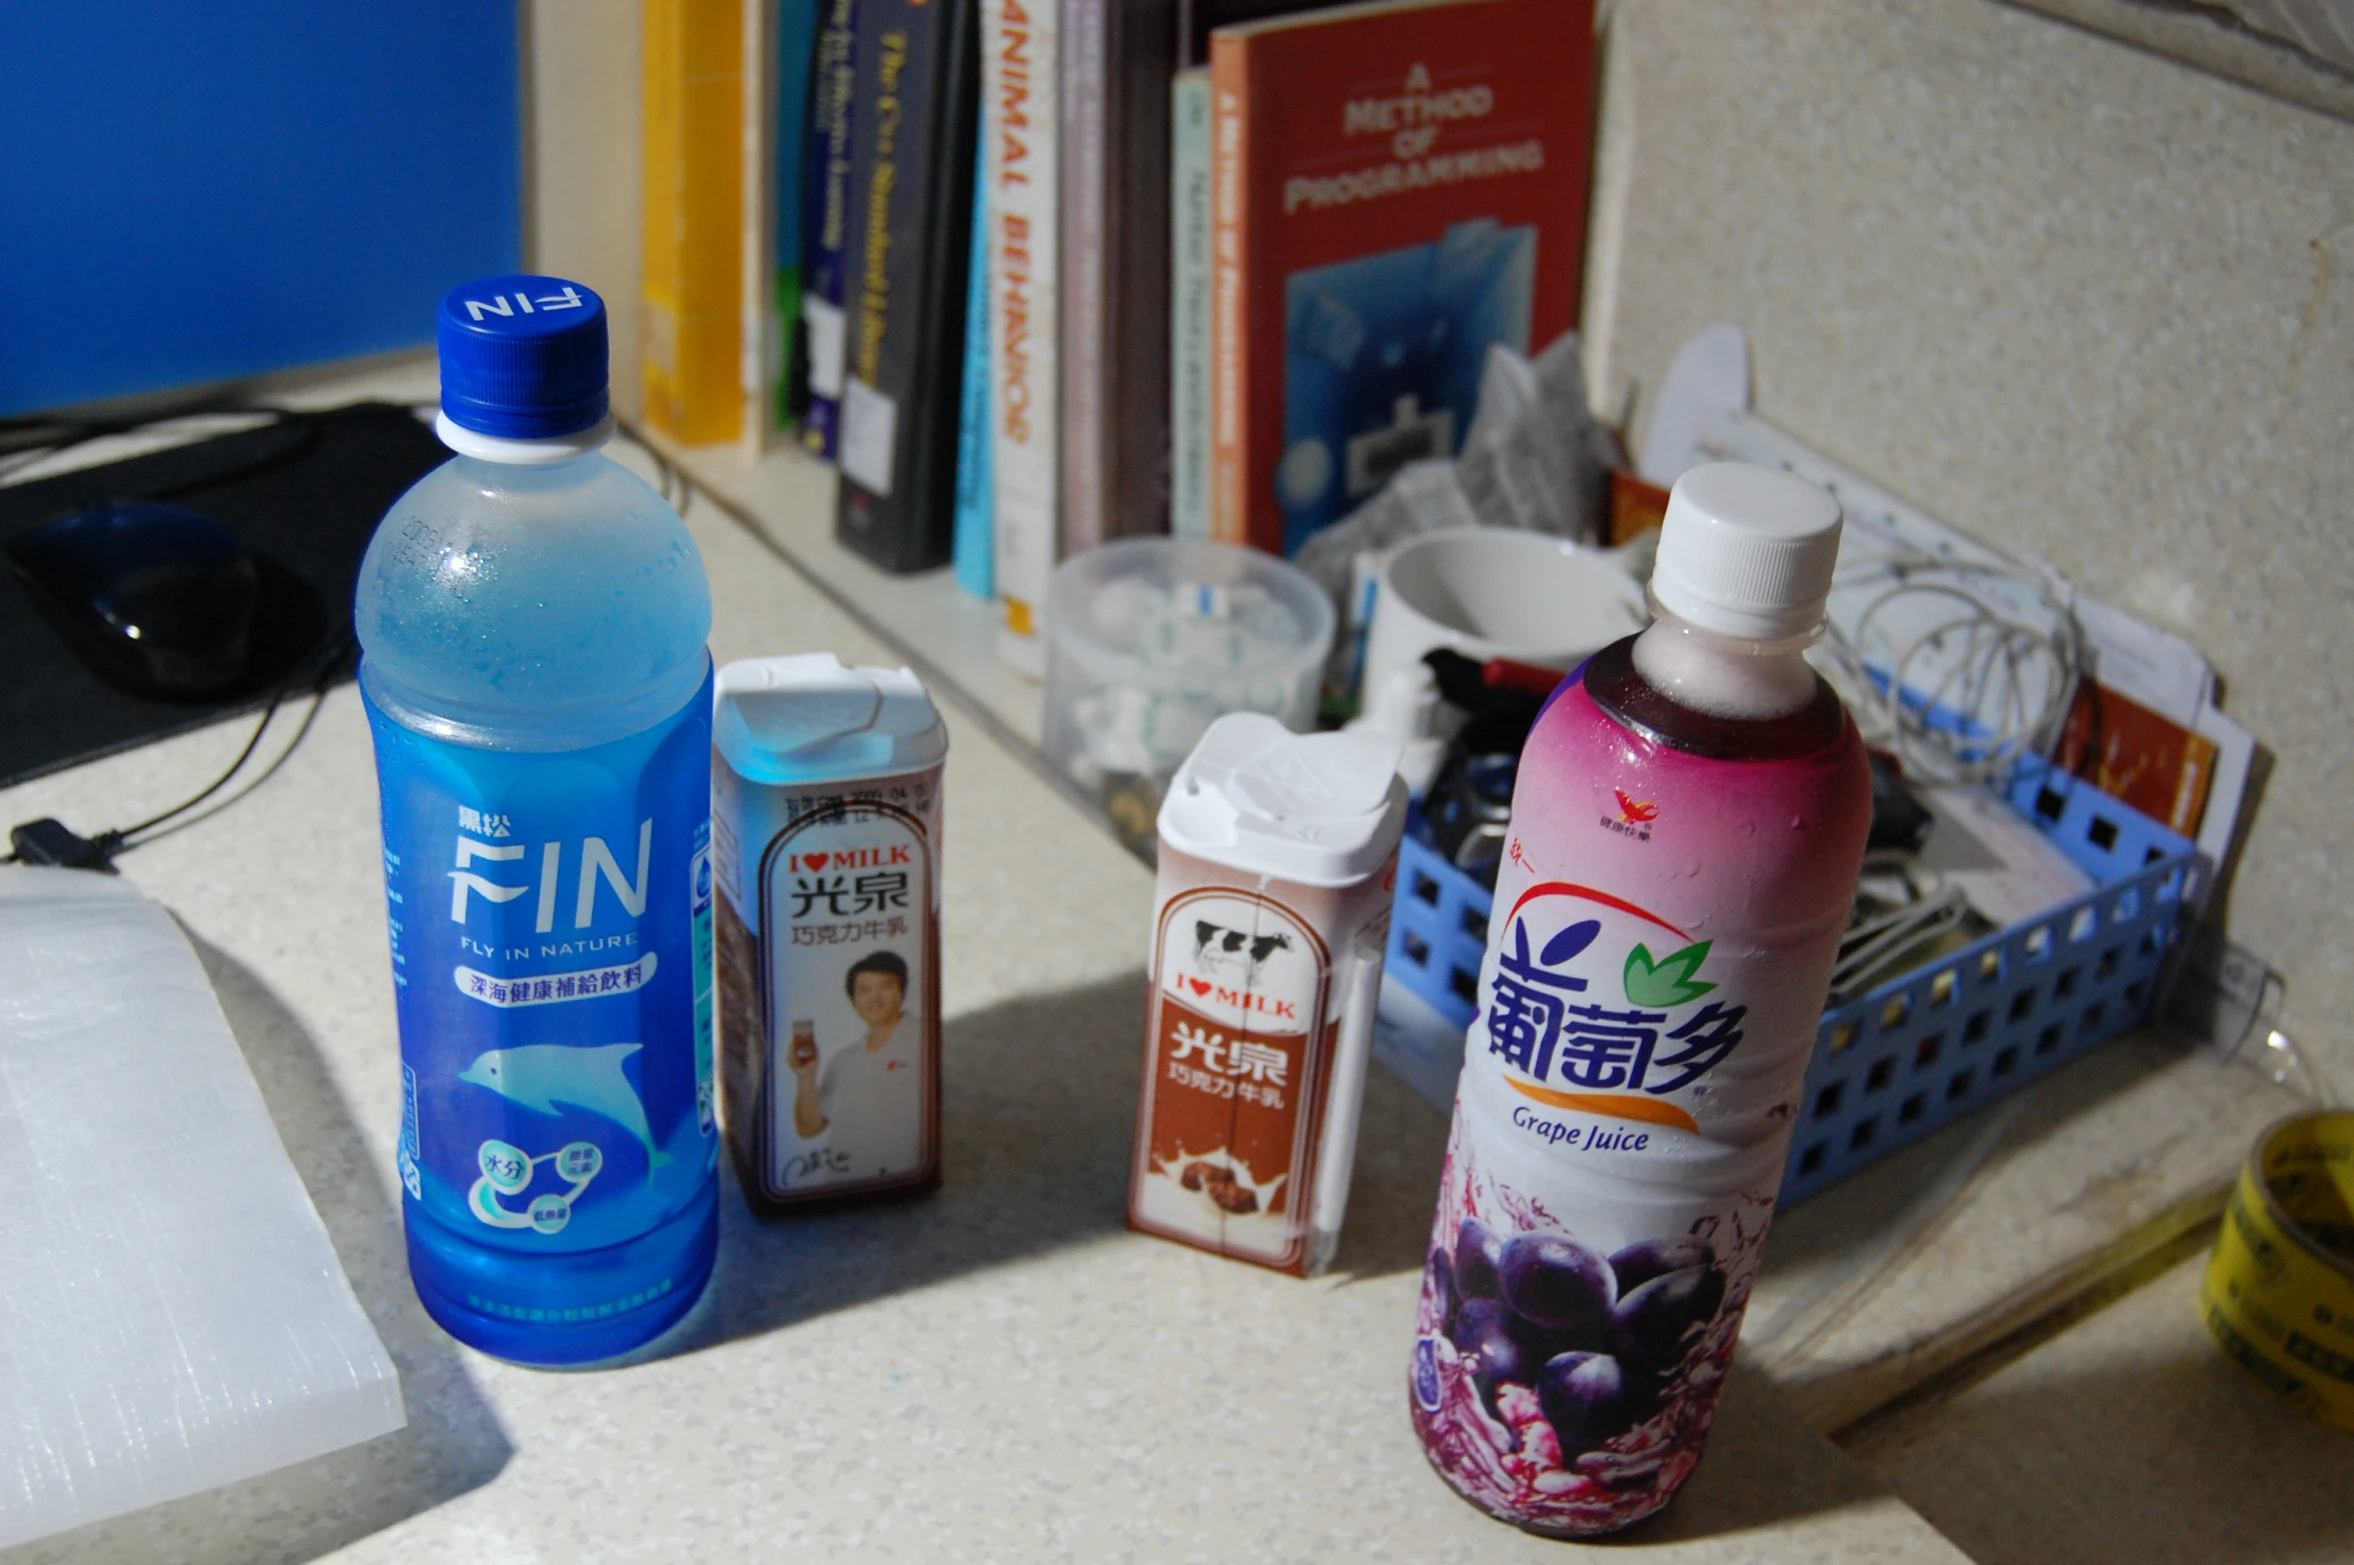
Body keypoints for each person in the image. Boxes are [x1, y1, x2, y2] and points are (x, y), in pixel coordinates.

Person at [787, 949, 922, 1180]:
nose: (875, 998)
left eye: (885, 986)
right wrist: (806, 1077)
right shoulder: (845, 1060)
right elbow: (810, 1128)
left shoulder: (923, 1039)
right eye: (865, 990)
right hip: (845, 1183)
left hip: (899, 1183)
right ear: (853, 1001)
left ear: (902, 991)